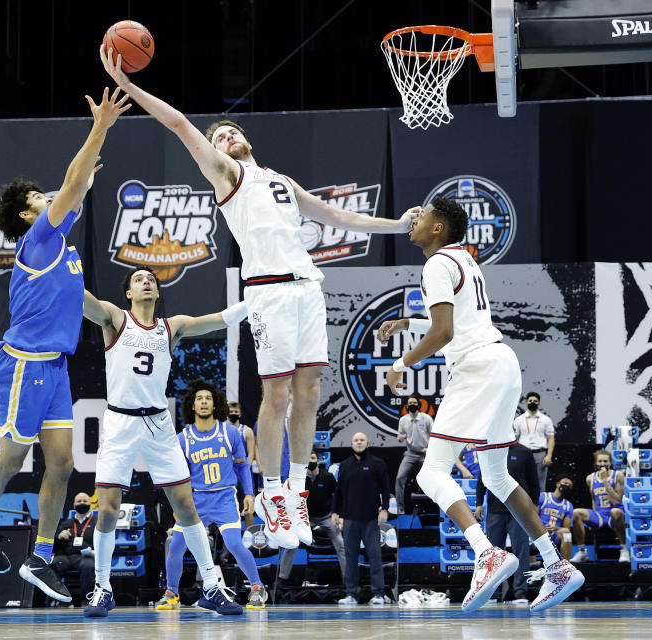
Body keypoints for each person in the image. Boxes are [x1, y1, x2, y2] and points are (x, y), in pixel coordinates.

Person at [100, 45, 416, 550]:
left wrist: (397, 224)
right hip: (267, 293)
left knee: (310, 392)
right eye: (218, 137)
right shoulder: (229, 177)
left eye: (231, 132)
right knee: (278, 395)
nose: (225, 138)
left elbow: (339, 218)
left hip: (307, 287)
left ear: (247, 138)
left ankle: (292, 490)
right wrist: (130, 87)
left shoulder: (282, 183)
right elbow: (181, 124)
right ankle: (271, 494)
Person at [0, 88, 129, 604]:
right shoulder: (37, 241)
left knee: (61, 465)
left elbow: (82, 300)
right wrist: (99, 126)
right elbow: (74, 184)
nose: (49, 197)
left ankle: (40, 554)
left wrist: (116, 320)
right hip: (22, 365)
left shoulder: (62, 246)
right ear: (29, 216)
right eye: (39, 198)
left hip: (55, 368)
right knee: (12, 460)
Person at [377, 198, 583, 613]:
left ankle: (486, 553)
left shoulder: (436, 264)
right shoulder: (464, 260)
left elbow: (444, 332)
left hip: (477, 369)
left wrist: (399, 365)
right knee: (497, 477)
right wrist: (407, 323)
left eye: (425, 215)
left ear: (438, 229)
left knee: (431, 473)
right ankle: (556, 565)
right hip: (502, 363)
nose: (415, 219)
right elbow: (455, 323)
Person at [81, 267, 246, 617]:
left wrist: (258, 302)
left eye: (151, 279)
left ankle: (212, 587)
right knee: (108, 509)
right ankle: (102, 587)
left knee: (186, 507)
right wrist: (52, 267)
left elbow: (220, 319)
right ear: (128, 292)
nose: (146, 281)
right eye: (139, 278)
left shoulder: (172, 326)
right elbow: (83, 302)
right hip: (120, 420)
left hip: (157, 423)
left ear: (157, 292)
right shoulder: (114, 318)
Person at [156, 379, 267, 611]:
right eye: (199, 399)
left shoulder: (230, 433)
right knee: (175, 546)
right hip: (195, 499)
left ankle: (257, 588)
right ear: (193, 406)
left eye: (208, 398)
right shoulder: (183, 438)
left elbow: (243, 466)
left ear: (215, 405)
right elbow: (178, 478)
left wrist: (249, 493)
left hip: (224, 497)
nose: (204, 402)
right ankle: (171, 593)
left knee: (235, 544)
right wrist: (178, 505)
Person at [474, 442, 540, 604]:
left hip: (519, 511)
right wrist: (479, 503)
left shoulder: (524, 452)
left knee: (521, 552)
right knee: (494, 555)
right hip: (495, 511)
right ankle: (492, 593)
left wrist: (534, 506)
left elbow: (534, 481)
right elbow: (482, 478)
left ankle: (520, 593)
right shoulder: (490, 451)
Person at [332, 432, 391, 606]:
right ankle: (351, 594)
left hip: (370, 519)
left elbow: (386, 489)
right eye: (356, 440)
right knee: (350, 558)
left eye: (361, 440)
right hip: (350, 519)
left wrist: (384, 509)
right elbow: (339, 491)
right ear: (351, 444)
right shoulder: (344, 465)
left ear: (368, 443)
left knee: (375, 556)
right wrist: (335, 512)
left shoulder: (377, 464)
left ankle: (379, 594)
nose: (358, 443)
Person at [278, 450, 346, 586]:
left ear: (318, 461)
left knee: (341, 544)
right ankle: (282, 578)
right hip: (304, 518)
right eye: (308, 458)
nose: (311, 460)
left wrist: (338, 515)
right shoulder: (299, 480)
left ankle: (347, 579)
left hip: (326, 517)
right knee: (291, 544)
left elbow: (338, 497)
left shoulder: (328, 477)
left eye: (313, 458)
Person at [571, 450, 629, 563]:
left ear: (611, 463)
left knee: (615, 511)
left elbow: (617, 501)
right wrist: (593, 520)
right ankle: (582, 551)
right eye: (600, 461)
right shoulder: (590, 478)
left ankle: (624, 549)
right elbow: (594, 499)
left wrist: (605, 481)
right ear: (595, 464)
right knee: (576, 512)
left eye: (605, 461)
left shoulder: (618, 476)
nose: (602, 464)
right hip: (600, 515)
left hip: (616, 515)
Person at [51, 492, 98, 601]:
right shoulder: (65, 524)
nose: (82, 503)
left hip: (87, 557)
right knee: (54, 563)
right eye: (79, 501)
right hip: (67, 557)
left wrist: (94, 552)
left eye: (85, 501)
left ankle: (86, 600)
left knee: (87, 566)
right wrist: (59, 537)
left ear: (90, 504)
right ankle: (61, 599)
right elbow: (54, 548)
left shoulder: (97, 523)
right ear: (74, 505)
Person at [394, 396, 432, 513]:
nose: (412, 404)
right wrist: (400, 437)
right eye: (410, 403)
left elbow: (434, 436)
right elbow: (400, 436)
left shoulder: (426, 418)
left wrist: (429, 448)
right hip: (410, 454)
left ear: (418, 405)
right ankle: (400, 507)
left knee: (431, 478)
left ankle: (432, 507)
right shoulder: (403, 420)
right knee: (400, 478)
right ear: (406, 406)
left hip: (425, 454)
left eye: (415, 402)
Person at [512, 392, 556, 492]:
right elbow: (514, 439)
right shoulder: (519, 420)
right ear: (526, 403)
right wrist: (514, 456)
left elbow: (551, 438)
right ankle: (523, 507)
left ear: (539, 404)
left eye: (535, 401)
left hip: (540, 455)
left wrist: (549, 455)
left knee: (540, 484)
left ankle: (539, 507)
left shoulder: (546, 420)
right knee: (522, 483)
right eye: (530, 401)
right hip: (523, 454)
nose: (533, 402)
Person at [228, 401, 259, 528]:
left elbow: (251, 454)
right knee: (229, 506)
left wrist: (245, 470)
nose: (233, 414)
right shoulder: (222, 431)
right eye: (231, 412)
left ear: (240, 414)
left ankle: (249, 536)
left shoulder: (247, 431)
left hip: (243, 472)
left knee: (248, 507)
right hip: (228, 473)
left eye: (235, 412)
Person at [538, 476, 575, 561]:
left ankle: (566, 565)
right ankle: (531, 566)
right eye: (565, 483)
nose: (567, 486)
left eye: (569, 485)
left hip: (554, 535)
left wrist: (556, 528)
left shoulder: (568, 506)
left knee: (566, 533)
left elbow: (566, 528)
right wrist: (541, 529)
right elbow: (533, 516)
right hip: (539, 533)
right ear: (558, 484)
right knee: (529, 531)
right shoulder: (543, 497)